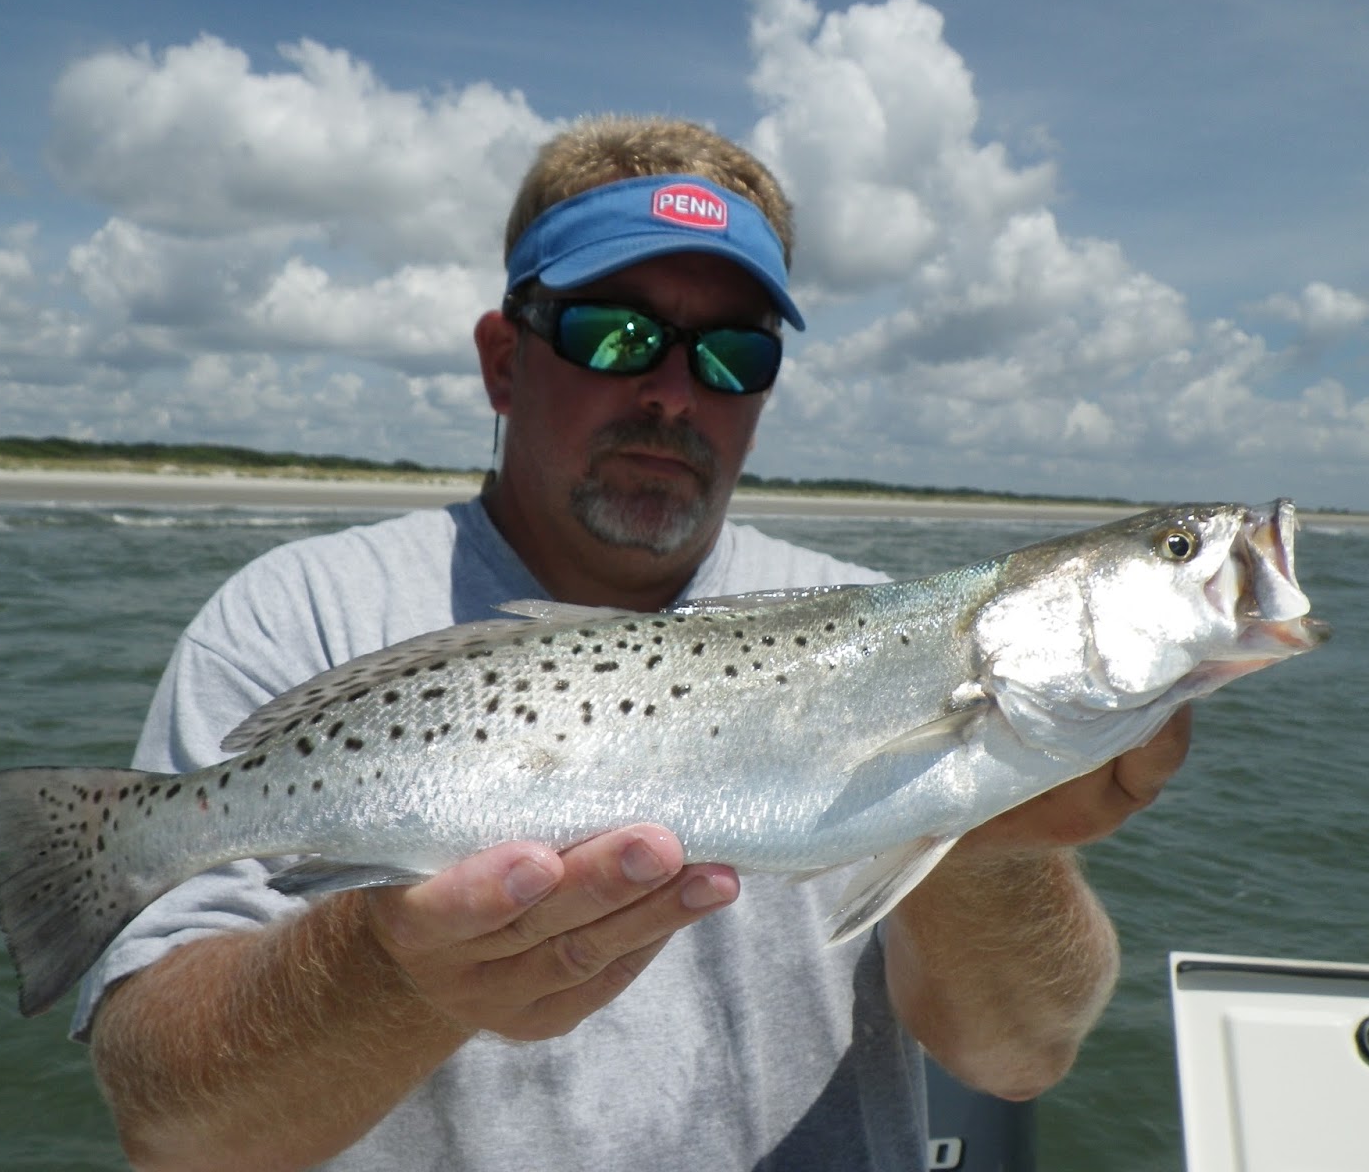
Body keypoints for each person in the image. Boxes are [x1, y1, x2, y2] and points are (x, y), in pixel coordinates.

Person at [77, 115, 1191, 1171]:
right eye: (616, 334)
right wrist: (390, 969)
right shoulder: (294, 613)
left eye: (730, 357)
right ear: (504, 362)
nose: (672, 395)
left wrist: (980, 825)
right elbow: (172, 1137)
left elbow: (1021, 1056)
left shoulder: (889, 629)